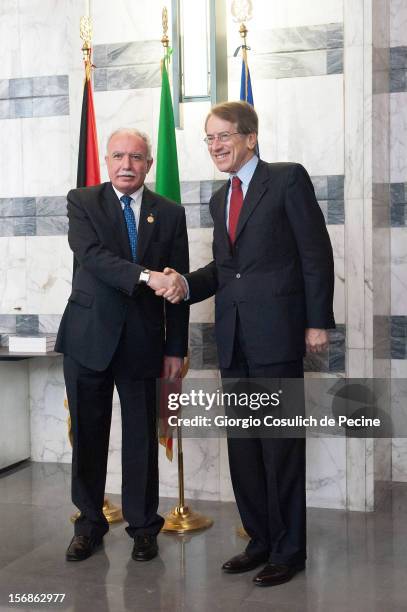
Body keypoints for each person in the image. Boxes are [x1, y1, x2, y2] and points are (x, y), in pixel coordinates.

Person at [155, 101, 335, 586]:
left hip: (277, 335)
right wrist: (185, 285)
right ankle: (259, 540)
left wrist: (318, 321)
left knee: (280, 447)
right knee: (245, 449)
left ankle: (289, 551)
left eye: (223, 136)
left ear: (249, 138)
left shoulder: (287, 178)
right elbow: (224, 268)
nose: (215, 145)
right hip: (233, 338)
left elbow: (315, 252)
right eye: (208, 138)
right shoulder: (219, 199)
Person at [55, 128, 189, 562]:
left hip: (143, 343)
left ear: (149, 164)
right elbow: (91, 255)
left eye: (136, 157)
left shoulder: (170, 213)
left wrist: (176, 348)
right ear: (106, 161)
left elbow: (180, 287)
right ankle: (89, 524)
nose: (126, 165)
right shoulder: (83, 201)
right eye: (118, 156)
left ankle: (144, 527)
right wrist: (148, 276)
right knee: (89, 437)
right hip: (88, 339)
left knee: (141, 441)